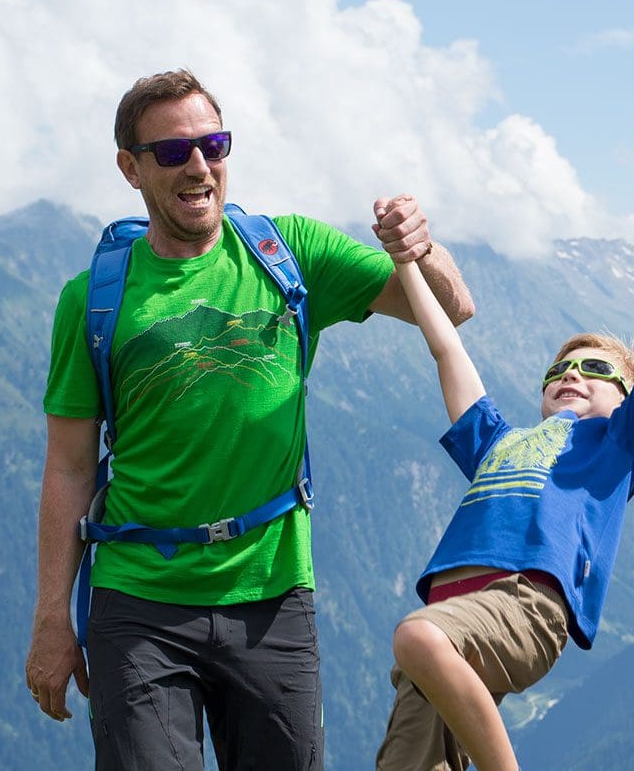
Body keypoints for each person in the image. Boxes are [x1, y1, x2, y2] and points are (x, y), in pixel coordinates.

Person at [24, 69, 475, 769]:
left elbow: (449, 308)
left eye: (214, 144)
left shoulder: (289, 254)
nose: (199, 166)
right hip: (138, 599)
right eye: (173, 152)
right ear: (130, 169)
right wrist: (54, 616)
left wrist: (420, 248)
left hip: (270, 590)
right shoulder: (91, 300)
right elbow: (71, 465)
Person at [374, 223, 634, 771]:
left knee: (417, 638)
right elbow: (446, 348)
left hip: (523, 606)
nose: (572, 374)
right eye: (559, 369)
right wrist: (404, 259)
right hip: (454, 618)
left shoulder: (617, 441)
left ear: (627, 396)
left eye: (596, 369)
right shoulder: (498, 442)